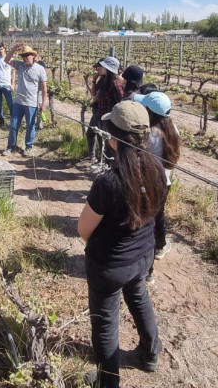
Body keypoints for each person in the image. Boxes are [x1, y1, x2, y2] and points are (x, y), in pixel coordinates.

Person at [77, 101, 166, 388]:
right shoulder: (158, 170)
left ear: (112, 139)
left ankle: (108, 382)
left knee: (105, 323)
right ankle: (150, 353)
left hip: (110, 265)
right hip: (143, 255)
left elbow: (83, 230)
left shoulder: (108, 182)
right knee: (139, 296)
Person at [133, 91, 181, 282]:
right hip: (165, 182)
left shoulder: (150, 134)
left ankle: (146, 270)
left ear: (150, 112)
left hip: (149, 183)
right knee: (157, 217)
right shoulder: (173, 129)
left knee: (146, 223)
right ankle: (156, 254)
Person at [3, 43, 48, 157]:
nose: (25, 57)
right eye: (23, 55)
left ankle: (28, 147)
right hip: (18, 102)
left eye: (28, 55)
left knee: (30, 126)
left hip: (32, 103)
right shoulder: (20, 65)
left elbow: (44, 88)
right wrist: (13, 49)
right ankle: (10, 147)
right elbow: (6, 60)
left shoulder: (40, 69)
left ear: (33, 56)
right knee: (13, 125)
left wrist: (43, 104)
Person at [83, 56, 123, 162]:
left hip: (110, 119)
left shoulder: (115, 83)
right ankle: (104, 164)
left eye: (101, 67)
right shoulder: (105, 82)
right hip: (102, 117)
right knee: (103, 142)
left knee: (108, 143)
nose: (98, 69)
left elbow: (121, 102)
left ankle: (108, 166)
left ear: (108, 69)